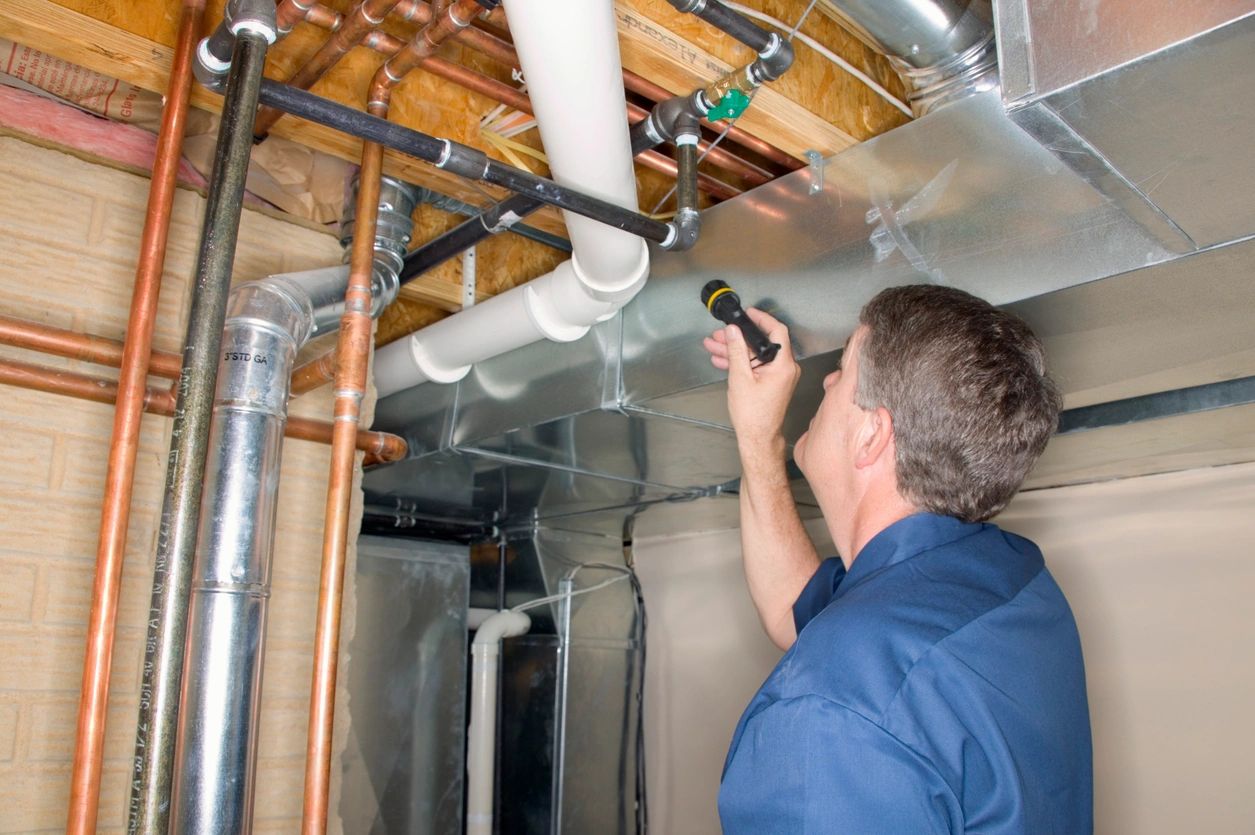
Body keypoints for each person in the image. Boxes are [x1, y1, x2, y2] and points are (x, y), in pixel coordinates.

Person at [702, 285, 1092, 834]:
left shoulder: (825, 715)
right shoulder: (1012, 577)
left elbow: (850, 675)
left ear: (872, 435)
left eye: (841, 368)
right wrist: (758, 435)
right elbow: (799, 611)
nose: (828, 381)